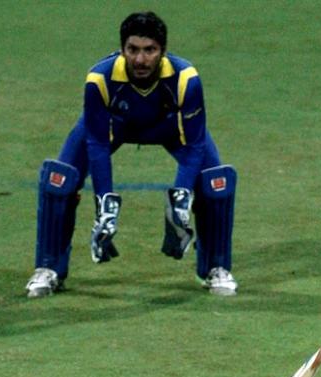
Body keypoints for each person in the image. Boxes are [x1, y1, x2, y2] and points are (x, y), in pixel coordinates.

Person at [26, 11, 237, 300]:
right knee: (59, 180)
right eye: (133, 50)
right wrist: (105, 204)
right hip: (114, 127)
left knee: (217, 182)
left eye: (149, 50)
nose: (140, 59)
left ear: (163, 51)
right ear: (122, 49)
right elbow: (97, 143)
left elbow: (195, 144)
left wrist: (182, 196)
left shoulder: (186, 78)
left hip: (169, 129)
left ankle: (216, 268)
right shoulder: (100, 78)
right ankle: (48, 269)